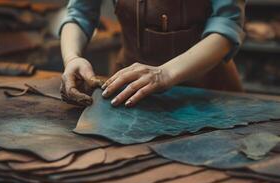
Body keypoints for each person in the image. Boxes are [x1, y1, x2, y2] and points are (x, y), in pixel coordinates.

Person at [60, 0, 246, 107]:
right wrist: (72, 58)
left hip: (207, 88)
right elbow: (79, 13)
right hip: (130, 87)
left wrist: (165, 74)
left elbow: (226, 28)